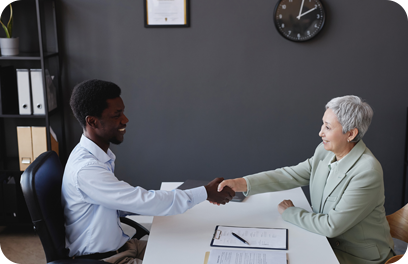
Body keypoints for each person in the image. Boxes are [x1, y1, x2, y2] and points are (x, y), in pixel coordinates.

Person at [62, 79, 235, 263]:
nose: (125, 119)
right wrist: (205, 193)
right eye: (116, 114)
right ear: (93, 122)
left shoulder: (97, 156)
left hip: (126, 245)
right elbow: (143, 201)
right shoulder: (87, 170)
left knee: (196, 249)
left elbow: (130, 202)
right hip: (109, 259)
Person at [218, 95, 395, 264]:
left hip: (357, 256)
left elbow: (331, 226)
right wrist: (240, 183)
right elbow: (290, 174)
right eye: (322, 125)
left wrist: (290, 212)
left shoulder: (367, 171)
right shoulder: (324, 152)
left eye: (327, 127)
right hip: (323, 241)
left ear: (350, 134)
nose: (320, 133)